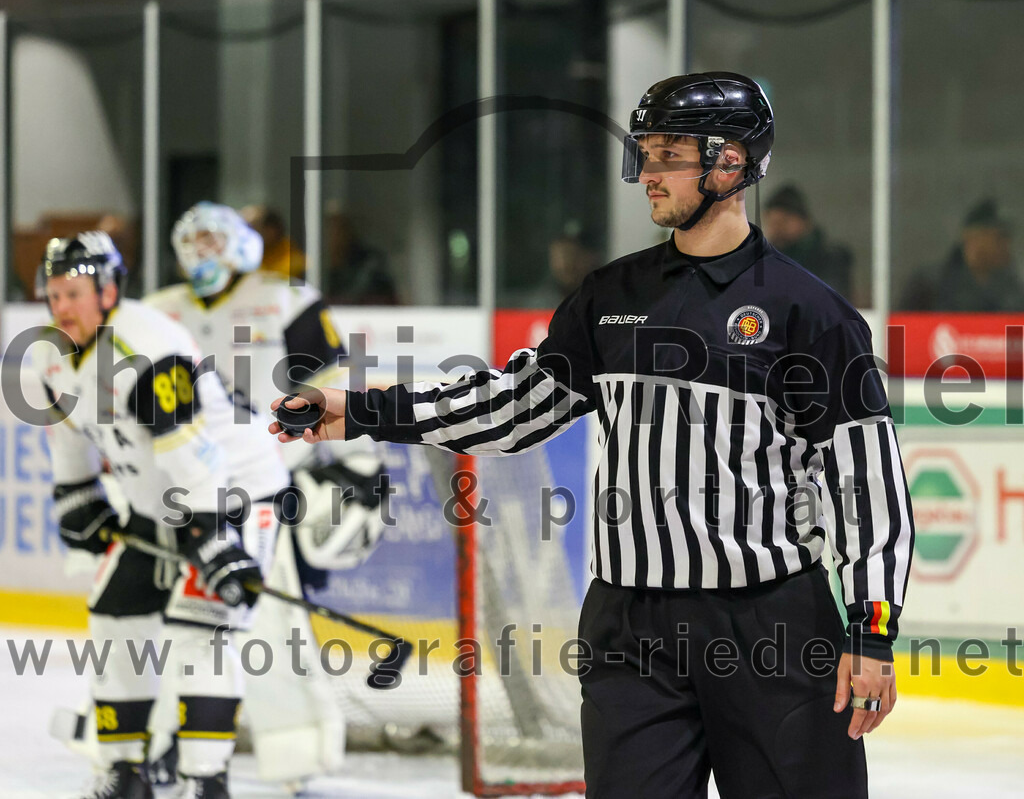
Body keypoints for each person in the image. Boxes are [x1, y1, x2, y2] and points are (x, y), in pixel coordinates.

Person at [271, 72, 915, 798]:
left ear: (730, 162)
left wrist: (871, 629)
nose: (648, 172)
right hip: (630, 627)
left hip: (771, 624)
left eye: (669, 153)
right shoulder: (611, 297)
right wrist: (362, 409)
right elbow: (516, 406)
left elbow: (866, 482)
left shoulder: (809, 312)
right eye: (646, 151)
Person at [30, 232, 289, 799]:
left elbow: (192, 454)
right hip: (165, 503)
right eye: (54, 295)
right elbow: (70, 439)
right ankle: (125, 772)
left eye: (74, 294)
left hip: (233, 495)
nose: (62, 307)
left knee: (203, 630)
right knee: (114, 616)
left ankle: (205, 780)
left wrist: (212, 538)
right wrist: (78, 497)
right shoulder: (52, 355)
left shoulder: (146, 347)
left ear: (108, 292)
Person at [145, 202, 389, 785]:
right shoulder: (157, 312)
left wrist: (351, 467)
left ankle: (296, 754)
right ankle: (154, 740)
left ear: (239, 244)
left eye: (213, 239)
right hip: (181, 488)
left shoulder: (286, 300)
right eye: (192, 240)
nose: (202, 251)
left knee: (267, 622)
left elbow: (331, 391)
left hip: (260, 485)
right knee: (166, 622)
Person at [899, 198, 1024, 311]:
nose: (1006, 245)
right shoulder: (930, 284)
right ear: (974, 238)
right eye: (999, 238)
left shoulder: (1011, 287)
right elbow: (900, 325)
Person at [762, 183, 855, 300]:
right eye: (772, 223)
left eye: (784, 221)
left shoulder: (831, 258)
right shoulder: (764, 260)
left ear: (804, 222)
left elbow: (829, 299)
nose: (777, 229)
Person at [239, 204, 306, 279]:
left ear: (271, 230)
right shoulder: (250, 251)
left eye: (251, 227)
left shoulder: (290, 256)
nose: (244, 234)